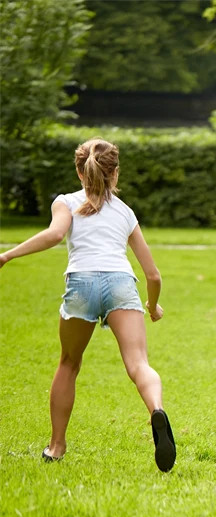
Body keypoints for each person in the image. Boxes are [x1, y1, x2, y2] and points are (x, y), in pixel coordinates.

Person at [0, 138, 176, 472]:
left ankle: (56, 446)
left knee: (68, 363)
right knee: (139, 363)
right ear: (115, 173)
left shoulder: (66, 203)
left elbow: (54, 236)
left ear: (79, 171)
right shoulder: (125, 213)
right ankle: (156, 409)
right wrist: (152, 307)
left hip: (81, 283)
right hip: (121, 283)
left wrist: (7, 255)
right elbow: (153, 275)